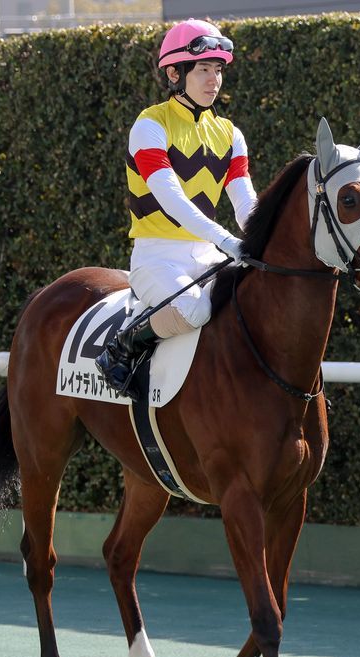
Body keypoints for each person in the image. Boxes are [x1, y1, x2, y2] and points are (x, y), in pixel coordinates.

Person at [95, 18, 257, 398]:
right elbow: (172, 200)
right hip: (157, 258)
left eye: (218, 70)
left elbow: (245, 199)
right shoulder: (150, 125)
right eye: (203, 70)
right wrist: (226, 240)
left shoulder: (230, 134)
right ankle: (123, 345)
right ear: (174, 73)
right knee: (195, 311)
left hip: (207, 257)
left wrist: (260, 236)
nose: (214, 80)